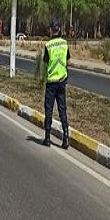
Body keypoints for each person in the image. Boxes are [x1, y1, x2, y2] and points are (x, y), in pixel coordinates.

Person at [42, 19, 71, 149]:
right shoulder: (65, 43)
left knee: (49, 110)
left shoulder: (48, 45)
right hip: (62, 82)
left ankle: (47, 138)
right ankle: (66, 138)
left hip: (51, 82)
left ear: (51, 30)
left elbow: (45, 62)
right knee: (62, 110)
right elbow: (68, 60)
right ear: (59, 29)